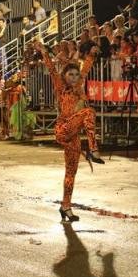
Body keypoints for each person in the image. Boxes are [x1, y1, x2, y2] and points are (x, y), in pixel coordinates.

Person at [36, 40, 105, 222]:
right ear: (65, 76)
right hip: (63, 128)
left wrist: (91, 53)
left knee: (71, 172)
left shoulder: (78, 85)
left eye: (76, 75)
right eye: (71, 74)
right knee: (89, 112)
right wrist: (44, 52)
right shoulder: (60, 86)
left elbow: (86, 68)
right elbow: (51, 69)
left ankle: (65, 206)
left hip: (73, 134)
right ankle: (93, 149)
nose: (74, 77)